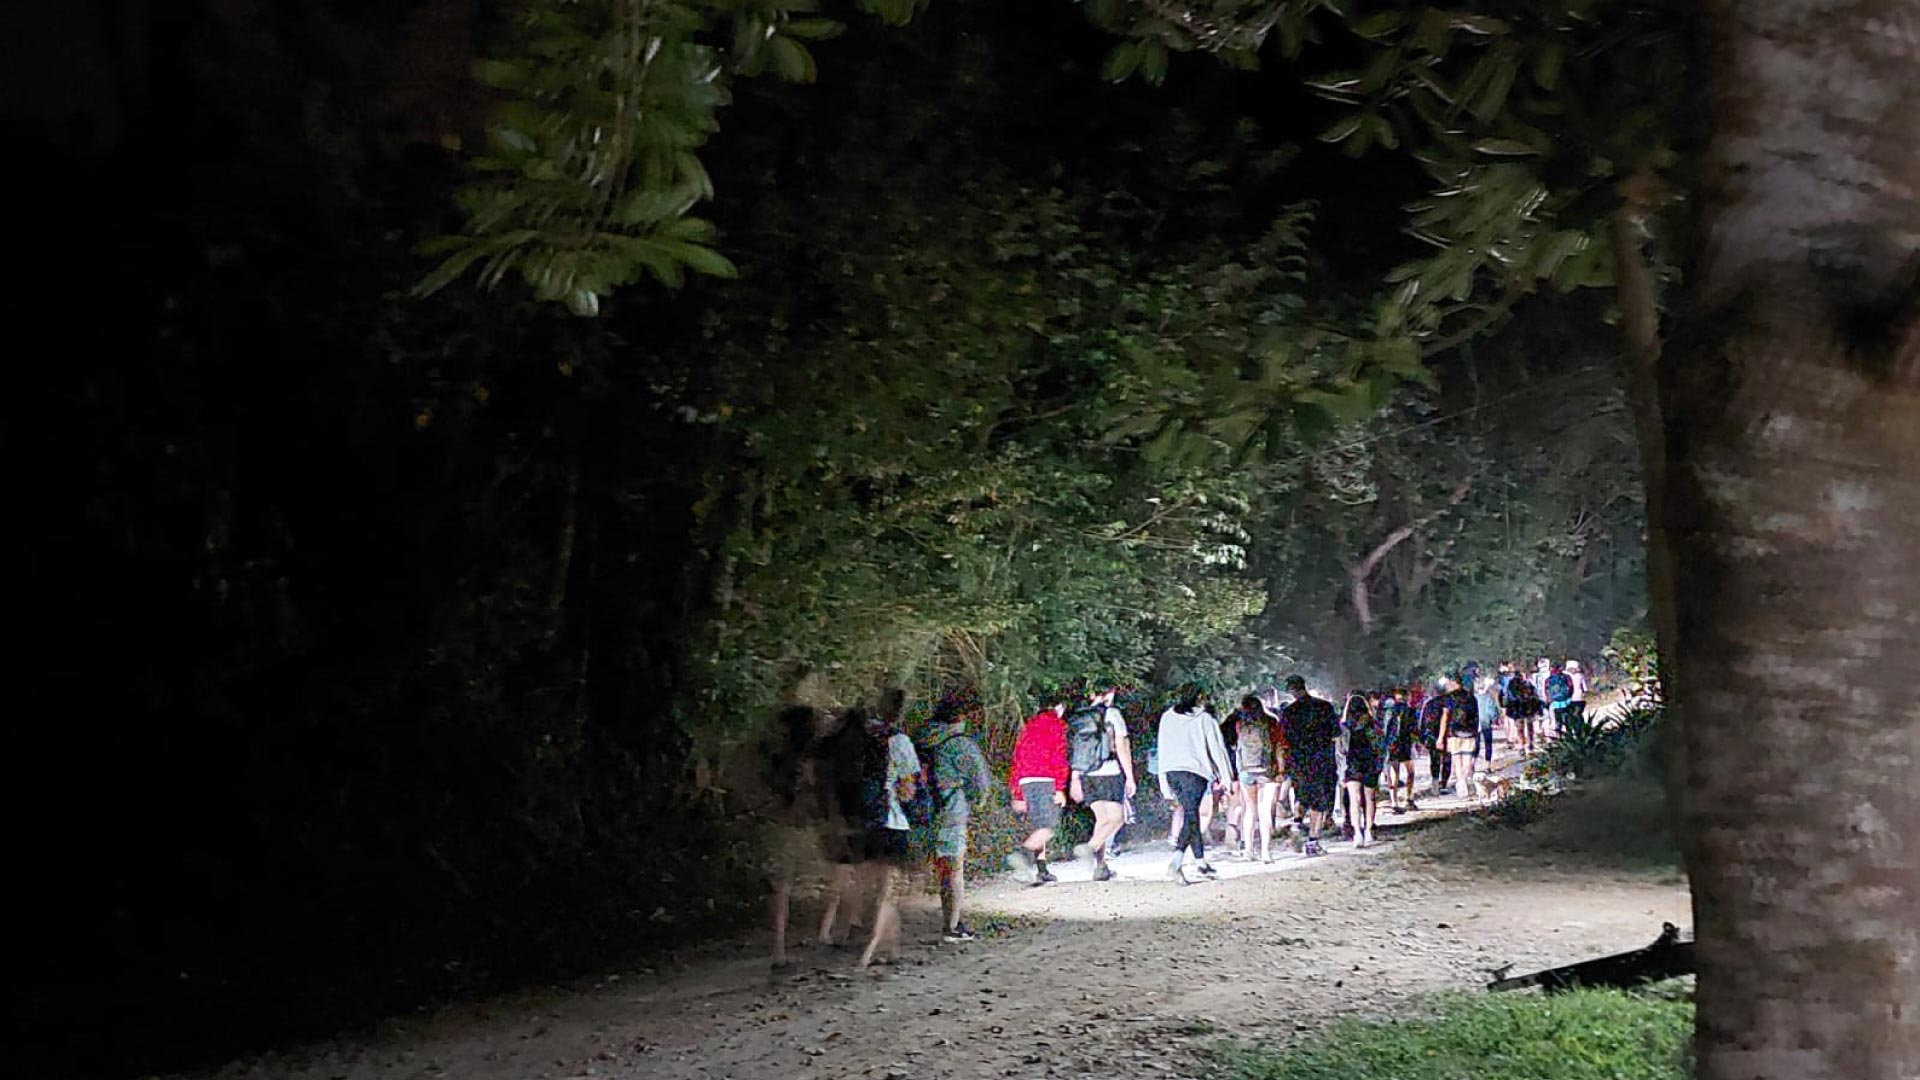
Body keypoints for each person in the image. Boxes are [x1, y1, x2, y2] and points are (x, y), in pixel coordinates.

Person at [758, 704, 829, 972]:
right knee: (823, 881)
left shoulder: (775, 757)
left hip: (779, 825)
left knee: (780, 889)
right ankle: (821, 937)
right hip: (804, 827)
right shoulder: (813, 759)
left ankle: (779, 949)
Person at [924, 695, 993, 942]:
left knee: (940, 867)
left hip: (921, 812)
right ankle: (952, 925)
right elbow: (980, 782)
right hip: (950, 810)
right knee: (953, 869)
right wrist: (978, 801)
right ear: (961, 717)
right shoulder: (959, 743)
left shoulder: (923, 739)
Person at [1156, 684, 1233, 884]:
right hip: (1194, 773)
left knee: (1192, 815)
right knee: (1191, 817)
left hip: (1173, 772)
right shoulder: (1205, 719)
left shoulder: (1167, 717)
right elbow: (1218, 750)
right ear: (1199, 697)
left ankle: (1200, 861)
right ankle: (1176, 862)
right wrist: (1226, 777)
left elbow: (1162, 748)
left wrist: (1163, 781)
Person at [1068, 683, 1136, 882]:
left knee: (1102, 820)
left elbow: (1077, 751)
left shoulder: (1081, 717)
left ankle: (1101, 867)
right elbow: (1122, 747)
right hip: (1110, 771)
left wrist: (1075, 778)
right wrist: (1130, 776)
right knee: (1117, 818)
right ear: (1111, 693)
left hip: (1088, 774)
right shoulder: (1113, 714)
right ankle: (1089, 848)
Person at [1007, 694, 1070, 885]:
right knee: (1050, 825)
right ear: (1058, 707)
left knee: (1038, 824)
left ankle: (1042, 870)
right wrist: (1060, 787)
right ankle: (1022, 856)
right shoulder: (1056, 725)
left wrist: (1017, 792)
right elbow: (1059, 756)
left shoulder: (1028, 727)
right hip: (1045, 779)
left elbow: (1017, 758)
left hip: (1026, 780)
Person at [1279, 675, 1339, 856]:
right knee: (1319, 802)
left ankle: (1297, 825)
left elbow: (1284, 740)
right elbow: (1336, 734)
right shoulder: (1325, 707)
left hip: (1298, 761)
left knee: (1301, 795)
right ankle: (1313, 841)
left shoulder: (1288, 712)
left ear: (1291, 690)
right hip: (1321, 760)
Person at [1227, 694, 1284, 862]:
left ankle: (1248, 850)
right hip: (1267, 770)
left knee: (1250, 810)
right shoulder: (1271, 722)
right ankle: (1266, 852)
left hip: (1246, 771)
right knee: (1265, 810)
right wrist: (1281, 770)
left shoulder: (1240, 724)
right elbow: (1279, 747)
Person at [1340, 693, 1383, 847]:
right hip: (1370, 763)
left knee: (1354, 800)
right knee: (1370, 799)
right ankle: (1368, 830)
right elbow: (1379, 746)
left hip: (1352, 765)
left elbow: (1341, 750)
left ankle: (1357, 832)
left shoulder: (1345, 726)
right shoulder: (1373, 724)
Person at [1442, 676, 1480, 805]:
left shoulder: (1449, 698)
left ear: (1453, 683)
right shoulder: (1471, 697)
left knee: (1457, 761)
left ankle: (1461, 786)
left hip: (1454, 732)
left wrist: (1442, 736)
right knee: (1468, 762)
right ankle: (1462, 782)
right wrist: (1476, 732)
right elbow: (1476, 716)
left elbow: (1445, 717)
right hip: (1469, 732)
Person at [1380, 687, 1418, 812]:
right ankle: (1409, 798)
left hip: (1391, 744)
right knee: (1410, 772)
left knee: (1394, 773)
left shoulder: (1387, 711)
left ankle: (1394, 802)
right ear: (1406, 697)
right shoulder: (1410, 711)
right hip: (1406, 743)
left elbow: (1384, 729)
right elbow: (1414, 729)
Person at [1419, 681, 1452, 797]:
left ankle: (1435, 783)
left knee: (1435, 760)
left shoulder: (1429, 704)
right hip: (1448, 735)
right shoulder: (1449, 703)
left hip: (1432, 735)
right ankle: (1444, 784)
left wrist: (1423, 738)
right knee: (1447, 760)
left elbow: (1424, 722)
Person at [1505, 672, 1546, 754]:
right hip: (1525, 709)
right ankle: (1527, 744)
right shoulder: (1522, 684)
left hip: (1521, 709)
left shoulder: (1513, 685)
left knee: (1522, 728)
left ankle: (1525, 745)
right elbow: (1535, 696)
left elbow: (1510, 698)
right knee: (1526, 727)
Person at [1474, 675, 1500, 763]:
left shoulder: (1473, 698)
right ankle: (1487, 763)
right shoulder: (1488, 698)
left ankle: (1473, 764)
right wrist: (1494, 720)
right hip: (1486, 722)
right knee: (1488, 743)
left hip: (1475, 723)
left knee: (1476, 743)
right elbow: (1491, 711)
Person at [1564, 659, 1590, 729]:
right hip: (1577, 698)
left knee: (1573, 715)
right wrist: (1585, 693)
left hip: (1571, 698)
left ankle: (1576, 728)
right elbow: (1585, 688)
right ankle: (1581, 728)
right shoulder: (1580, 675)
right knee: (1578, 715)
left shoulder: (1565, 676)